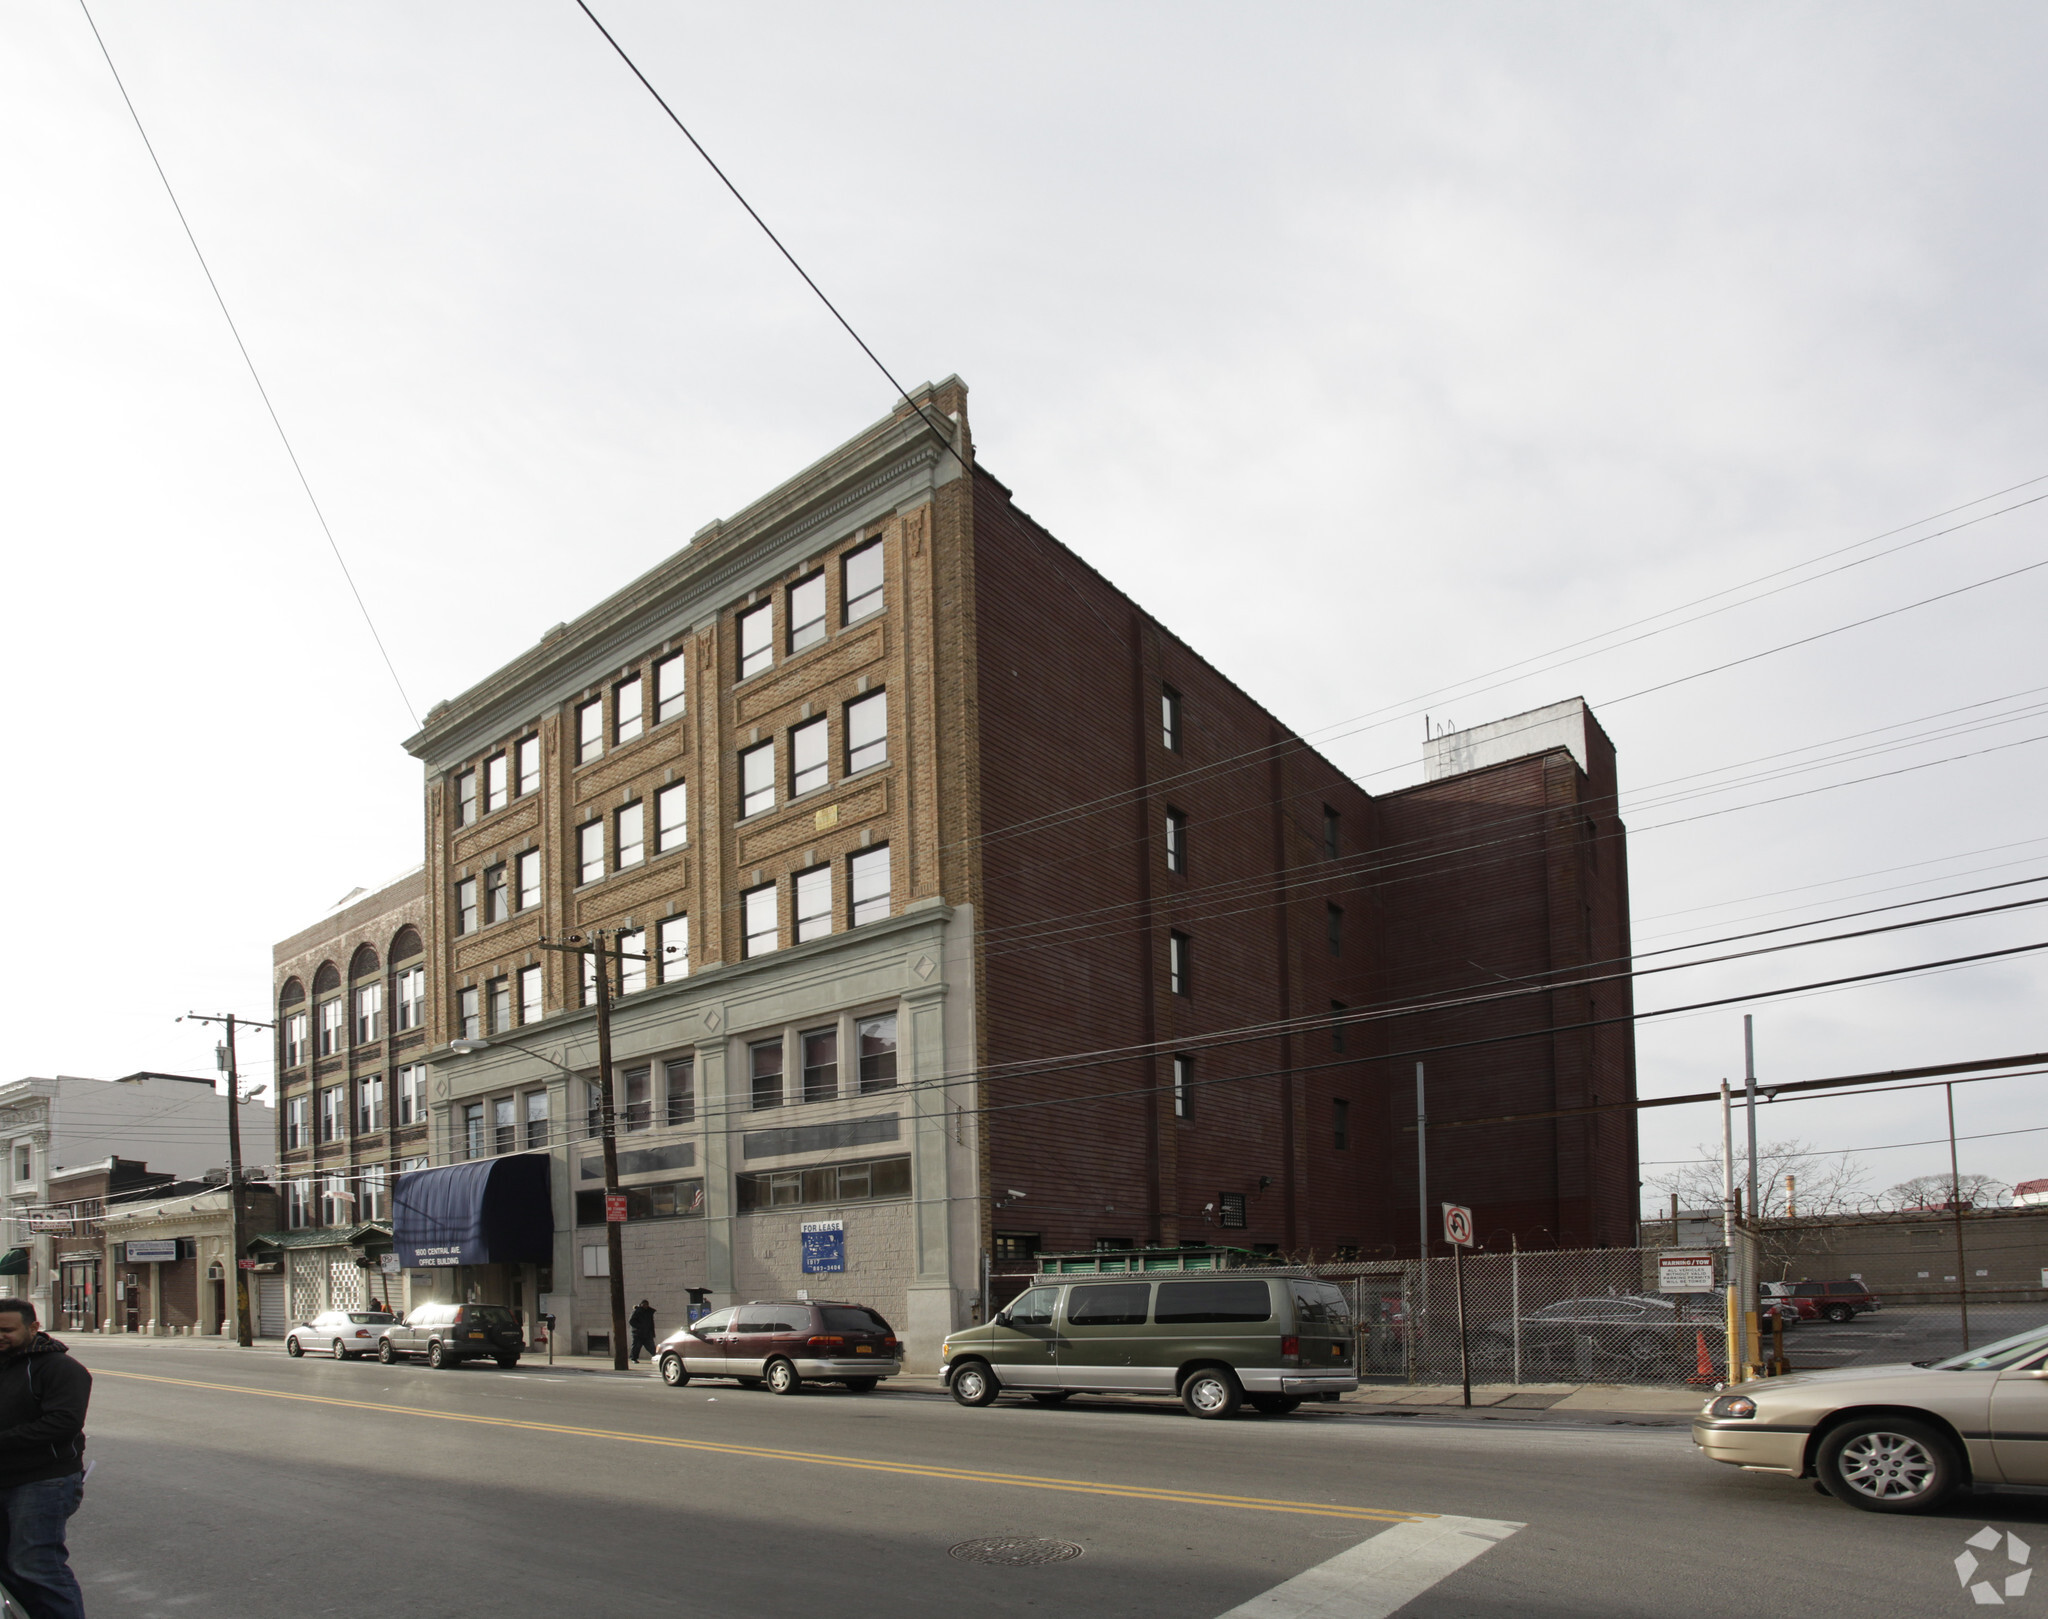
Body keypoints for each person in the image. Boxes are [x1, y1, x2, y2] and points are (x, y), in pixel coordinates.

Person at [0, 1298, 89, 1619]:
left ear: (34, 1327)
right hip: (5, 1477)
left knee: (35, 1563)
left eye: (7, 1330)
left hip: (43, 1481)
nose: (0, 1336)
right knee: (8, 1567)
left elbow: (62, 1423)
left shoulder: (60, 1368)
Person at [628, 1300, 657, 1364]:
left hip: (647, 1333)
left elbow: (651, 1323)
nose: (645, 1306)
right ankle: (634, 1358)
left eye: (646, 1304)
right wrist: (639, 1327)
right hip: (638, 1333)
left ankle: (656, 1356)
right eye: (644, 1304)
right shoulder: (637, 1311)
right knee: (636, 1346)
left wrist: (652, 1333)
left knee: (651, 1346)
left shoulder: (649, 1312)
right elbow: (631, 1321)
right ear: (641, 1305)